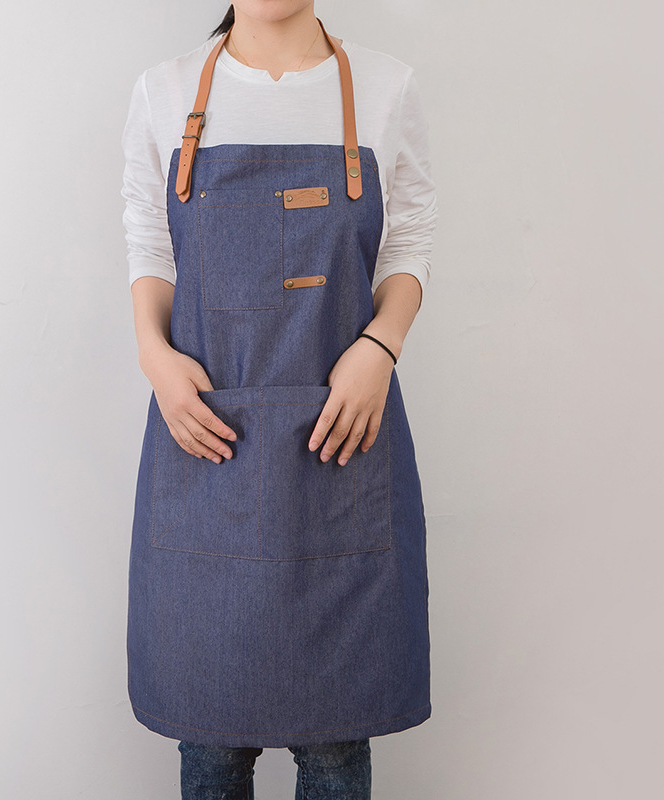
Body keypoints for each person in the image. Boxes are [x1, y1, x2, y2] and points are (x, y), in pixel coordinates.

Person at [120, 2, 438, 797]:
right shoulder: (163, 91)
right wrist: (155, 358)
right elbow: (150, 243)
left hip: (339, 447)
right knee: (210, 746)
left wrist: (380, 347)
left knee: (335, 744)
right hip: (207, 446)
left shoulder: (387, 86)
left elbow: (408, 241)